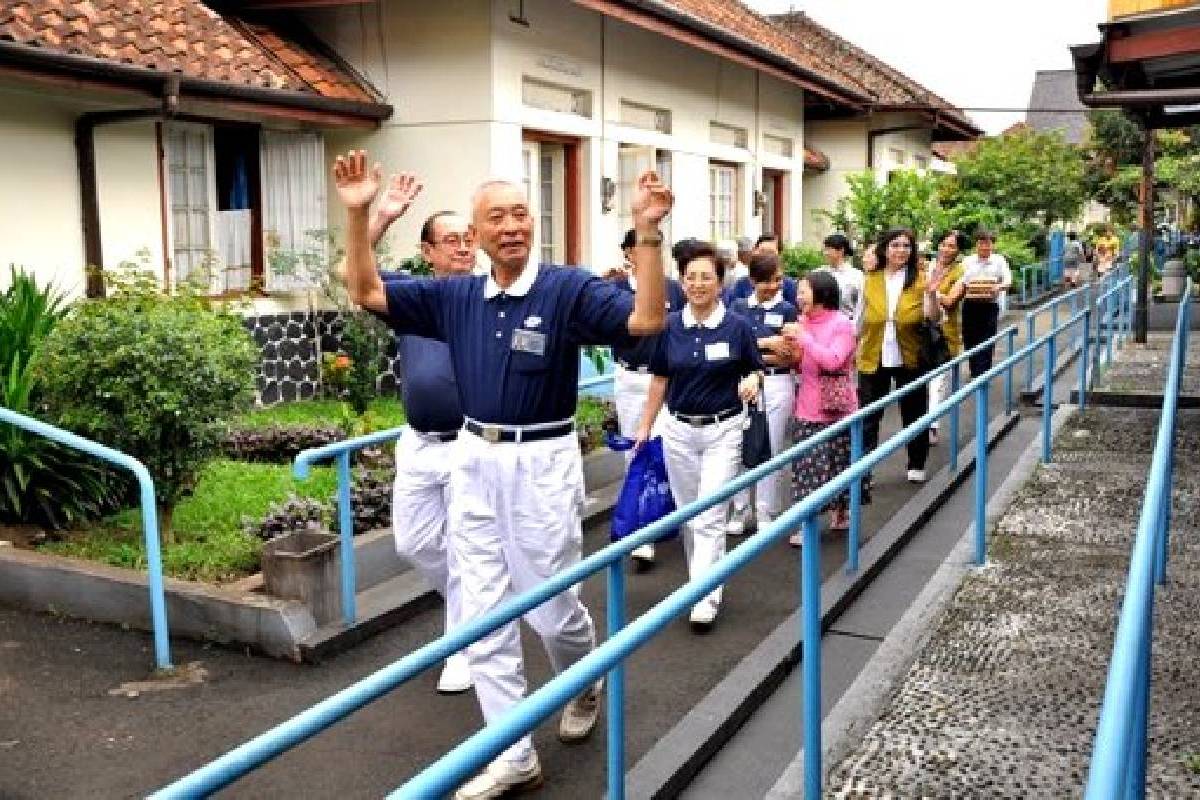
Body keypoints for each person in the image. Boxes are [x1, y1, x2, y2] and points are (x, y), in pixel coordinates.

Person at [334, 149, 673, 799]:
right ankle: (512, 752)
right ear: (477, 233)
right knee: (482, 615)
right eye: (497, 217)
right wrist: (359, 217)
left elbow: (646, 321)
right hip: (473, 459)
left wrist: (649, 231)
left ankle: (586, 677)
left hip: (541, 461)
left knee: (550, 610)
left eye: (521, 213)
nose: (512, 225)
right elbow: (365, 290)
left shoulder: (568, 289)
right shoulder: (456, 295)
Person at [333, 176, 477, 695]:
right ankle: (477, 602)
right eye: (452, 239)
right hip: (418, 443)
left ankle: (463, 644)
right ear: (428, 251)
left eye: (469, 238)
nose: (463, 247)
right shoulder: (411, 296)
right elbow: (351, 274)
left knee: (464, 550)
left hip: (471, 443)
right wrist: (378, 218)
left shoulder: (486, 296)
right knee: (414, 544)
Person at [633, 243, 764, 630]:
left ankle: (705, 595)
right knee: (691, 514)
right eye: (691, 277)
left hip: (723, 430)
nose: (698, 283)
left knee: (709, 515)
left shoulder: (737, 326)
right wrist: (645, 426)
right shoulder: (671, 326)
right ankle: (700, 580)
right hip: (678, 431)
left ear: (721, 283)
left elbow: (754, 369)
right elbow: (660, 378)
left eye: (706, 277)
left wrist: (752, 382)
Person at [608, 229, 686, 568]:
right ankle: (642, 527)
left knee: (668, 448)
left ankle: (670, 513)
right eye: (641, 248)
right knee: (636, 449)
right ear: (628, 252)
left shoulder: (672, 289)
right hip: (631, 376)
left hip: (667, 379)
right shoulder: (614, 291)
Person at [853, 228, 944, 484]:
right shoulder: (870, 278)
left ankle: (916, 462)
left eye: (906, 246)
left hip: (911, 354)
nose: (901, 250)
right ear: (884, 248)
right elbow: (859, 318)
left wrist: (932, 293)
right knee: (869, 416)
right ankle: (864, 470)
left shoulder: (920, 279)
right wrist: (851, 348)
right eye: (895, 245)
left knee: (914, 411)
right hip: (874, 353)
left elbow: (933, 317)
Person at [785, 270, 858, 544]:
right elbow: (801, 362)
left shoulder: (842, 324)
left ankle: (841, 511)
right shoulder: (801, 321)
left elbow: (833, 360)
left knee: (839, 464)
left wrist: (804, 339)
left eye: (804, 291)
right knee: (807, 467)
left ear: (821, 294)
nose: (798, 296)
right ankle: (806, 523)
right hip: (807, 404)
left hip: (838, 407)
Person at [729, 252, 798, 530]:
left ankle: (766, 511)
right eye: (768, 280)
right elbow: (732, 348)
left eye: (778, 279)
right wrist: (769, 342)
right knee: (739, 447)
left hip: (777, 382)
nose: (775, 285)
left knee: (772, 447)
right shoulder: (738, 307)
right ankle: (740, 509)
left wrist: (753, 348)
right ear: (753, 280)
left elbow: (789, 355)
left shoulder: (788, 310)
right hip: (744, 382)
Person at [925, 230, 968, 446]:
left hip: (945, 332)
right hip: (921, 330)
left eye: (951, 246)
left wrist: (931, 293)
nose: (946, 249)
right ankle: (919, 423)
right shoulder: (927, 266)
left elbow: (951, 301)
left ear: (958, 250)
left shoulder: (962, 272)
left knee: (938, 381)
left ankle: (932, 425)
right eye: (943, 244)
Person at [960, 230, 1012, 379]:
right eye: (981, 244)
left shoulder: (999, 260)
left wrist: (998, 287)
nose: (984, 247)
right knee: (970, 338)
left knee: (987, 338)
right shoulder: (967, 261)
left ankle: (982, 374)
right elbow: (960, 281)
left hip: (989, 305)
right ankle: (974, 369)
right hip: (970, 305)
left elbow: (1008, 280)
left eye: (988, 244)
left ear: (992, 245)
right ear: (976, 245)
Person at [814, 233, 865, 323]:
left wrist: (854, 328)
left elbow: (861, 307)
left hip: (846, 325)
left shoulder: (856, 276)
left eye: (828, 249)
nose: (825, 253)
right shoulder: (817, 273)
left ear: (840, 251)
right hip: (821, 325)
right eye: (824, 250)